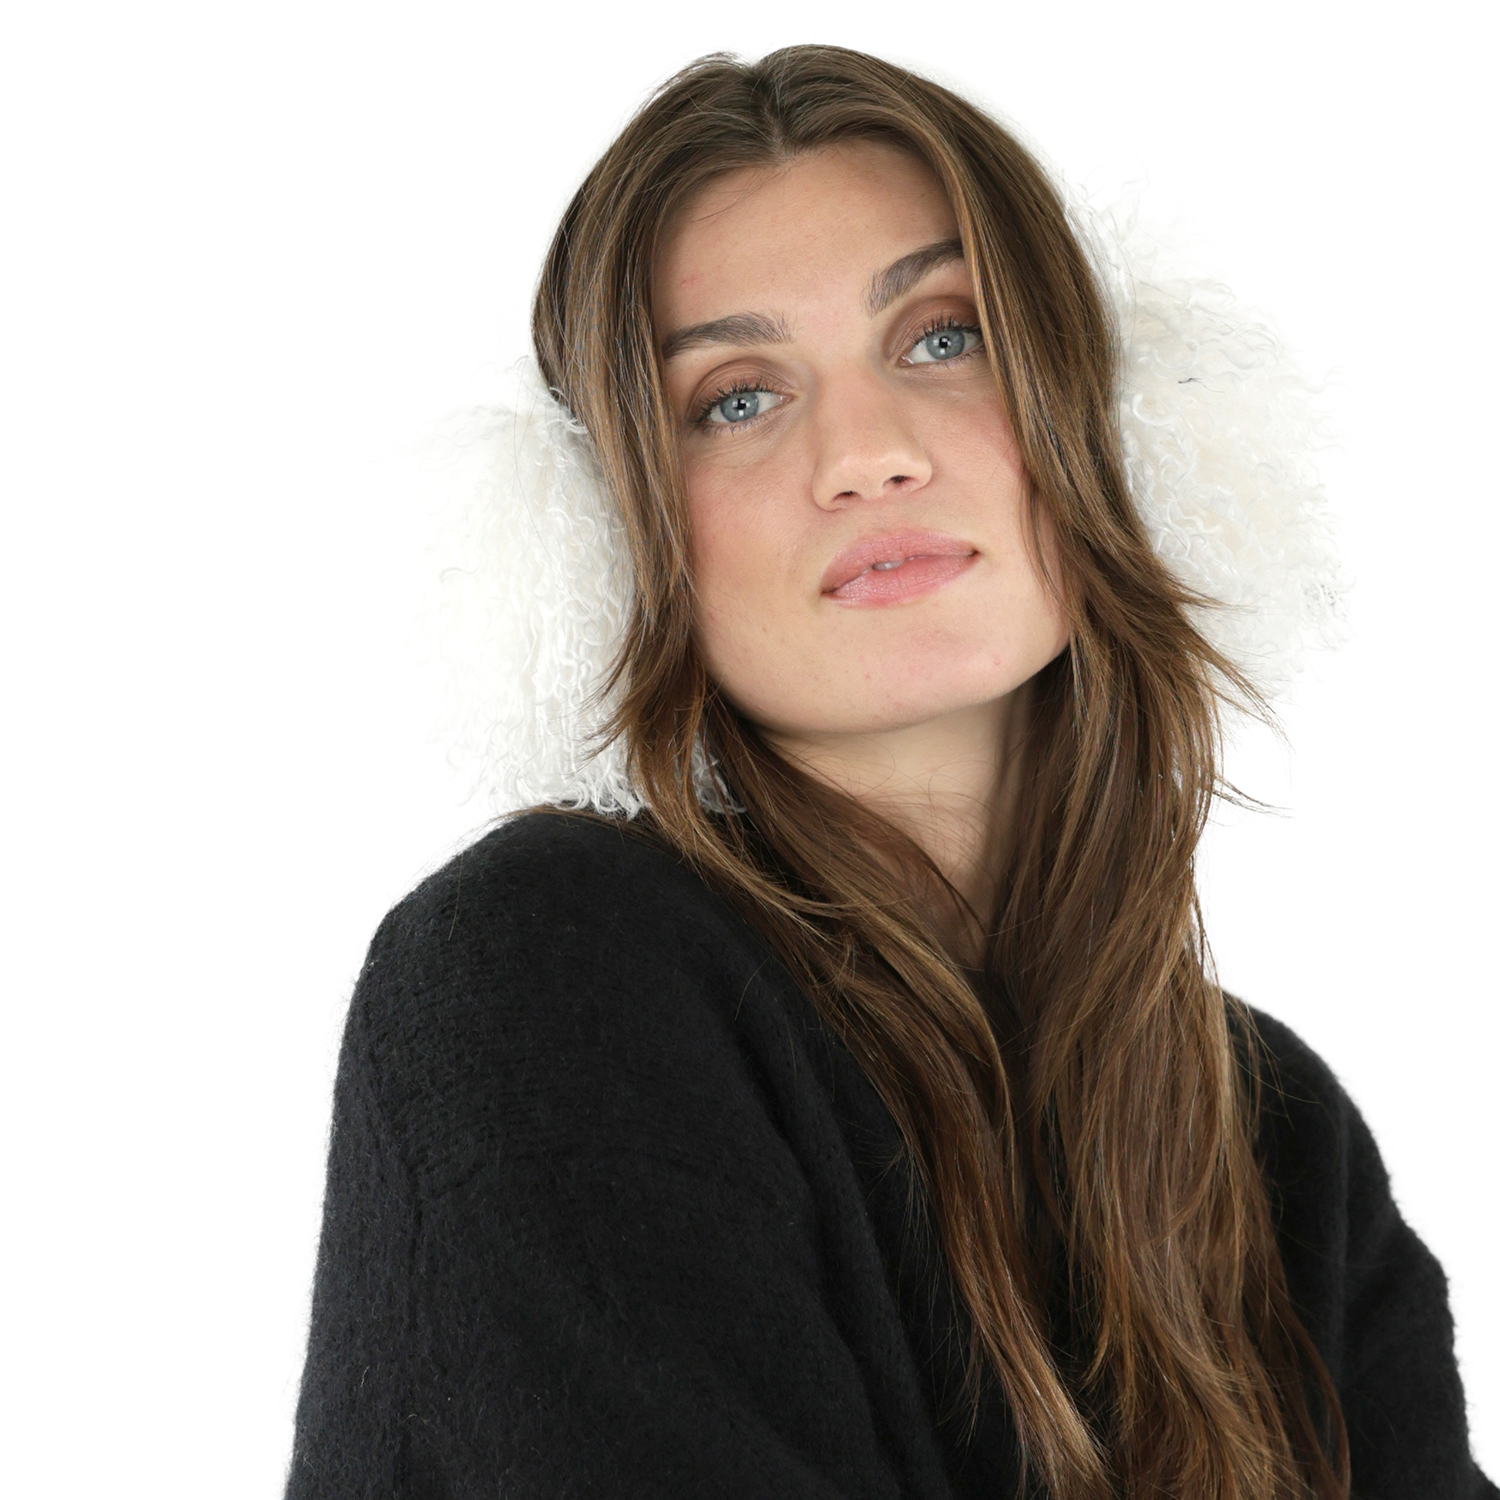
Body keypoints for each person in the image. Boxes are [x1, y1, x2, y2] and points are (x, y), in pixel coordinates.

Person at [283, 45, 1495, 1500]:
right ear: (614, 534)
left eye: (941, 336)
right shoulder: (542, 967)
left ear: (1108, 414)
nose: (866, 457)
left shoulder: (1275, 1135)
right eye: (737, 398)